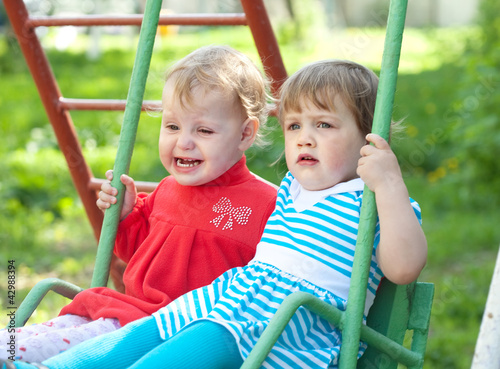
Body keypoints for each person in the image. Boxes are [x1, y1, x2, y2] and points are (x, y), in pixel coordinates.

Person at [4, 59, 427, 369]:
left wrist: (389, 185)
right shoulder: (290, 191)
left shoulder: (373, 202)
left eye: (325, 126)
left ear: (371, 137)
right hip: (231, 297)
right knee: (149, 332)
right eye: (295, 127)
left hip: (284, 322)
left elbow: (403, 267)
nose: (305, 140)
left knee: (201, 337)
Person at [0, 45, 278, 363]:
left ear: (245, 134)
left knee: (23, 353)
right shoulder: (167, 190)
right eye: (172, 126)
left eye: (203, 130)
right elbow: (134, 254)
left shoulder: (267, 205)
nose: (183, 141)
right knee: (14, 339)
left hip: (163, 336)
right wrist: (125, 216)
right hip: (121, 314)